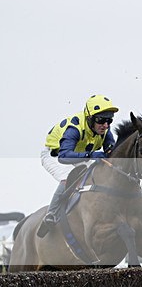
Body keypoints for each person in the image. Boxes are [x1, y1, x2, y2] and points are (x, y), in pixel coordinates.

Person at [38, 94, 118, 237]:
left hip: (79, 155)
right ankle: (51, 214)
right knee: (67, 176)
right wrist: (91, 155)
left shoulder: (105, 130)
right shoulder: (73, 129)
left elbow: (111, 151)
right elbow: (64, 156)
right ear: (90, 118)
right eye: (101, 120)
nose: (105, 125)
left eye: (109, 120)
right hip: (55, 155)